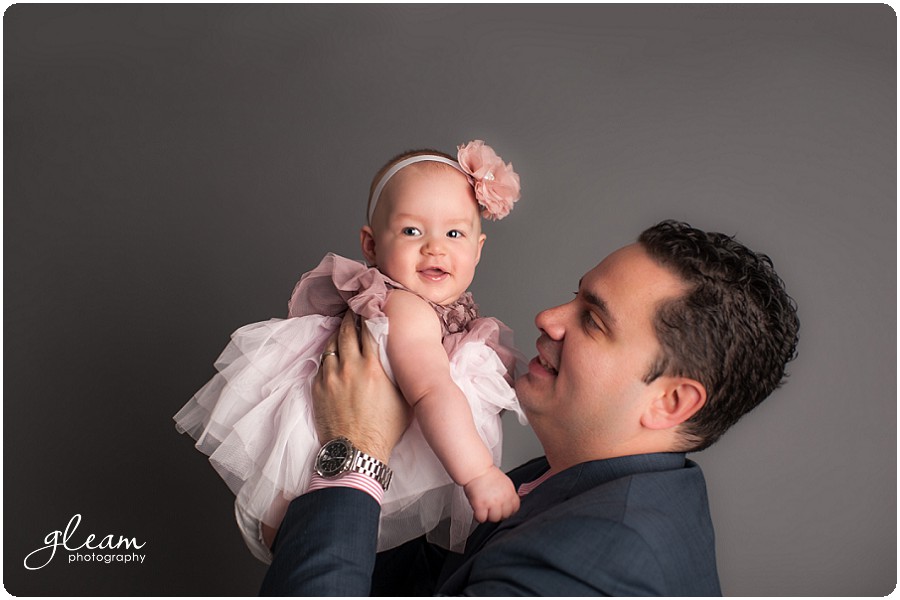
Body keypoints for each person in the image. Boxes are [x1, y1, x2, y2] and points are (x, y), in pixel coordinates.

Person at [258, 220, 800, 596]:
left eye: (593, 320)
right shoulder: (569, 478)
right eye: (576, 294)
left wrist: (353, 453)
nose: (548, 317)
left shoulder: (596, 567)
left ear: (671, 401)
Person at [174, 140, 528, 562]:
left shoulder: (431, 310)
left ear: (479, 248)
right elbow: (432, 390)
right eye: (412, 231)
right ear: (372, 246)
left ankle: (293, 536)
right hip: (337, 452)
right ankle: (290, 533)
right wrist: (479, 474)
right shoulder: (407, 308)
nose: (435, 247)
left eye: (454, 233)